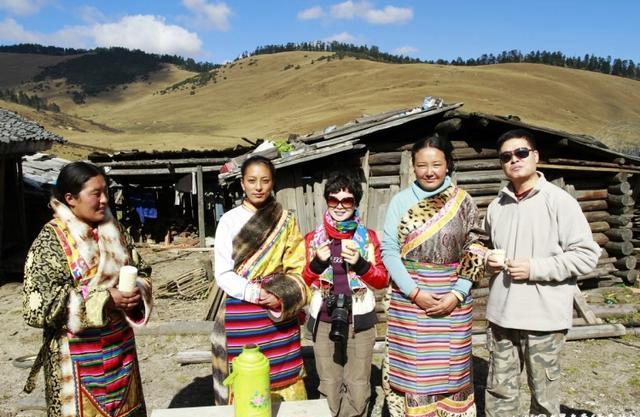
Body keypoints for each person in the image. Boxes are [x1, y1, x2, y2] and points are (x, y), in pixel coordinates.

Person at [483, 129, 600, 417]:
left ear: (535, 156)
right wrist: (487, 261)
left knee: (545, 398)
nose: (514, 160)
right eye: (506, 156)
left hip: (543, 319)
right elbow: (486, 249)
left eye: (521, 153)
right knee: (499, 392)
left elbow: (587, 256)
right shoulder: (496, 206)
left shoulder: (559, 201)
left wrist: (535, 268)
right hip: (501, 316)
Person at [22, 161, 153, 417]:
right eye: (96, 193)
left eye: (105, 191)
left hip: (121, 352)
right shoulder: (50, 241)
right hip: (75, 356)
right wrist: (104, 299)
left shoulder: (115, 231)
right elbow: (37, 307)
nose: (104, 200)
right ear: (70, 198)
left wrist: (136, 291)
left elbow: (143, 270)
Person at [381, 136, 487, 417]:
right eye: (422, 165)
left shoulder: (463, 202)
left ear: (448, 165)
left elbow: (476, 248)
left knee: (452, 371)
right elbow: (389, 250)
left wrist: (457, 294)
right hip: (410, 299)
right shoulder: (400, 201)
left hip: (454, 299)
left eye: (436, 164)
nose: (430, 171)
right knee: (414, 373)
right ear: (413, 167)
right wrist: (414, 293)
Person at [212, 155, 309, 404]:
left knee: (284, 377)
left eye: (265, 180)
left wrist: (279, 296)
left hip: (279, 310)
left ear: (272, 182)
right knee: (245, 376)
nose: (258, 187)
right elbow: (223, 273)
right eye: (252, 180)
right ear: (242, 183)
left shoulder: (285, 219)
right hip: (241, 311)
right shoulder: (228, 220)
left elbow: (298, 266)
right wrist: (256, 294)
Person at [302, 172, 389, 417]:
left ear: (356, 202)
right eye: (334, 200)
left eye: (347, 201)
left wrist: (361, 264)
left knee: (359, 384)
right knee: (329, 382)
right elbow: (301, 281)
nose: (340, 206)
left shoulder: (368, 239)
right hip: (324, 319)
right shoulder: (313, 240)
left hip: (359, 319)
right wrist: (317, 264)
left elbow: (382, 280)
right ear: (327, 200)